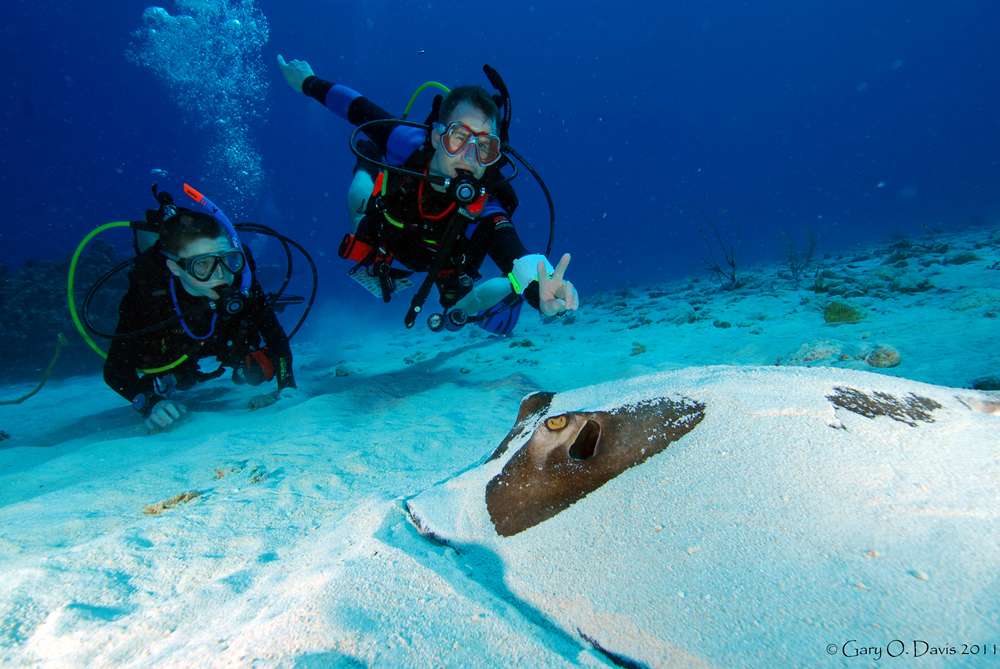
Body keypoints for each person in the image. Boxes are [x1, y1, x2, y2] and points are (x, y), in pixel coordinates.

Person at [277, 54, 579, 333]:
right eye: (459, 137)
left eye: (484, 146)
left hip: (444, 262)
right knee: (359, 215)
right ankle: (366, 165)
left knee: (466, 313)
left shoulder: (485, 201)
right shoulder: (406, 142)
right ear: (437, 136)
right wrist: (307, 82)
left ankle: (468, 308)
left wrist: (539, 292)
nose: (468, 156)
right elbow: (357, 108)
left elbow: (514, 253)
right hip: (390, 234)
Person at [104, 191, 297, 431]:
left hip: (222, 339)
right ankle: (175, 375)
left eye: (228, 260)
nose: (220, 274)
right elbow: (115, 371)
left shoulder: (240, 281)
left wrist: (287, 386)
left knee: (258, 370)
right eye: (202, 264)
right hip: (175, 347)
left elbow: (275, 337)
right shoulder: (148, 294)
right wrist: (149, 402)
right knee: (171, 376)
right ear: (175, 267)